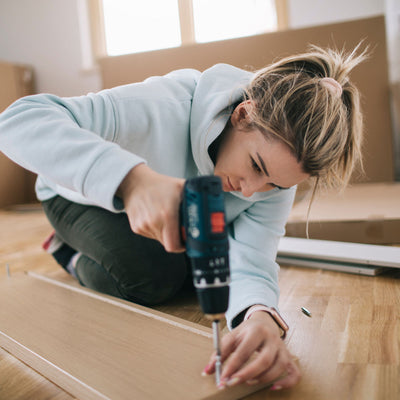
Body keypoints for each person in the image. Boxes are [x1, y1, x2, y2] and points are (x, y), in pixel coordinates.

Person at [0, 44, 366, 391]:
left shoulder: (274, 179)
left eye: (274, 185)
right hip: (75, 196)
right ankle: (68, 252)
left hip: (170, 213)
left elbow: (252, 257)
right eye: (255, 166)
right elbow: (16, 120)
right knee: (153, 276)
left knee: (209, 276)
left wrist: (260, 316)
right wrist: (132, 181)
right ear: (243, 114)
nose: (251, 191)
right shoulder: (164, 104)